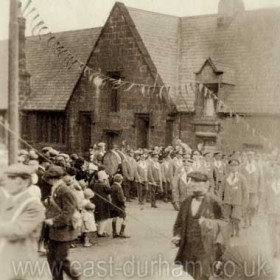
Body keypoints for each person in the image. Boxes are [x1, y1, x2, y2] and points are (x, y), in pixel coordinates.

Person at [172, 171, 225, 280]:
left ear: (206, 184)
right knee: (188, 275)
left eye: (197, 181)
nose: (192, 184)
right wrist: (177, 235)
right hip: (187, 247)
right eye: (191, 181)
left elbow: (225, 223)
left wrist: (209, 223)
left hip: (205, 248)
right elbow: (179, 223)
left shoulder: (214, 201)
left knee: (202, 275)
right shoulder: (186, 201)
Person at [0, 164, 45, 280]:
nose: (6, 182)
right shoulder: (6, 200)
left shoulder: (33, 205)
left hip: (19, 260)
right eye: (7, 178)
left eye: (12, 178)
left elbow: (18, 231)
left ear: (25, 182)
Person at [44, 165, 81, 280]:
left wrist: (53, 220)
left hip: (64, 230)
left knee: (61, 260)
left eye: (50, 179)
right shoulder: (56, 189)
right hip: (55, 231)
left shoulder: (65, 191)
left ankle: (76, 277)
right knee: (51, 258)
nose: (50, 182)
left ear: (54, 179)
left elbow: (67, 213)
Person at [220, 159, 248, 237]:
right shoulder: (225, 177)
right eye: (232, 165)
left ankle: (237, 229)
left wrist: (244, 203)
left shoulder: (242, 178)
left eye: (235, 165)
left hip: (237, 201)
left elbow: (245, 192)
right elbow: (221, 190)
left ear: (238, 166)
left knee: (236, 217)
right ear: (229, 166)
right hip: (227, 201)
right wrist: (220, 200)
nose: (233, 167)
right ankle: (231, 231)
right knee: (228, 217)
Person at [92, 170, 111, 237]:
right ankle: (100, 232)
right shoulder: (104, 185)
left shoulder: (95, 184)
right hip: (104, 203)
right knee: (104, 218)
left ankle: (98, 230)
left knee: (99, 217)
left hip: (97, 202)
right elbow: (109, 190)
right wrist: (107, 182)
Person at [110, 174, 130, 238]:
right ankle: (122, 232)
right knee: (126, 218)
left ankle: (114, 232)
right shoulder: (119, 187)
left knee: (114, 218)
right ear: (120, 180)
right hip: (119, 206)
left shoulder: (112, 186)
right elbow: (121, 198)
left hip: (113, 205)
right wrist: (124, 200)